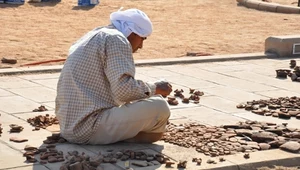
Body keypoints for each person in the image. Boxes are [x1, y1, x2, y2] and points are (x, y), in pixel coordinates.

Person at [55, 8, 172, 145]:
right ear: (132, 32)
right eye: (142, 38)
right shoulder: (117, 39)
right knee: (160, 107)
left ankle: (120, 133)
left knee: (140, 98)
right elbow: (124, 91)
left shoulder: (96, 34)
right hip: (88, 128)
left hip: (70, 125)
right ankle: (129, 139)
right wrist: (156, 88)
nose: (140, 46)